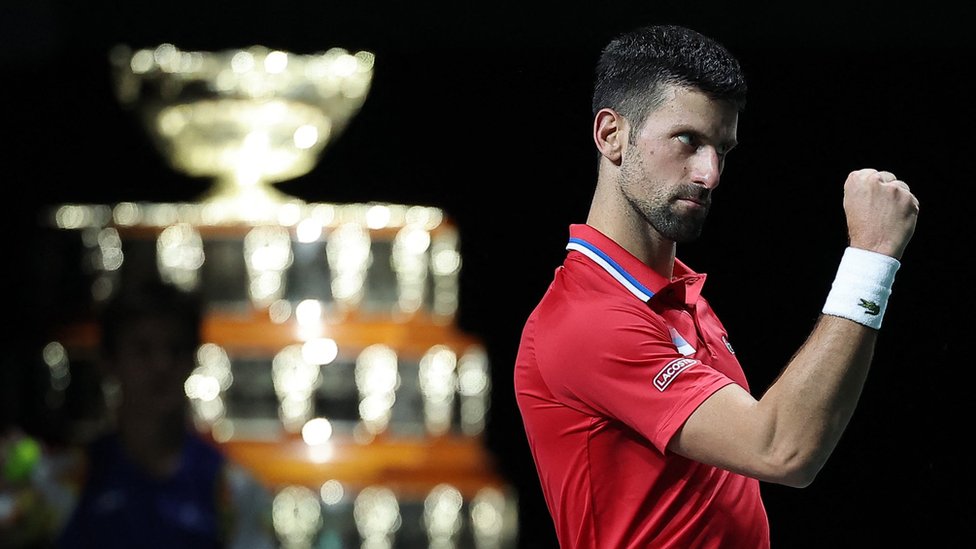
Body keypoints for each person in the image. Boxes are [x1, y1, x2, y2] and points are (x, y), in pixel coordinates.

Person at [513, 24, 919, 548]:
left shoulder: (680, 297)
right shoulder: (585, 321)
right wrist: (870, 259)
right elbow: (781, 450)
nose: (710, 174)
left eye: (722, 150)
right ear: (611, 135)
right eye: (688, 141)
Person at [2, 280, 277, 549]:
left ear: (193, 359)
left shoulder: (234, 490)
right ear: (109, 361)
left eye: (175, 349)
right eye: (142, 350)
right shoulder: (64, 481)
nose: (161, 365)